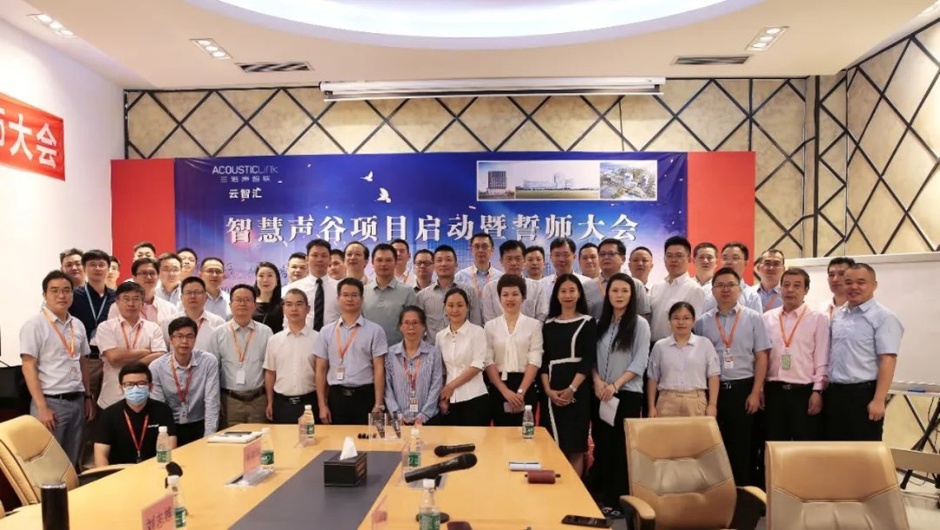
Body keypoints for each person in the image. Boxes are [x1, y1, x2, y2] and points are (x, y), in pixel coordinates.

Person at [693, 267, 770, 485]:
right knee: (713, 446)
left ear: (740, 289)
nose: (725, 289)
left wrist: (756, 391)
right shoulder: (702, 322)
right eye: (720, 285)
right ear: (713, 290)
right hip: (713, 391)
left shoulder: (754, 318)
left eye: (730, 285)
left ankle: (742, 493)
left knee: (742, 447)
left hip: (743, 390)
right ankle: (716, 493)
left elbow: (762, 357)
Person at [589, 273, 650, 513]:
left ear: (632, 295)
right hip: (600, 393)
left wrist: (615, 385)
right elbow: (591, 358)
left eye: (625, 291)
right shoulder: (599, 323)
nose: (619, 295)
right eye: (615, 290)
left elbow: (640, 362)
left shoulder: (639, 324)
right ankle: (604, 497)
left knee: (621, 448)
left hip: (626, 394)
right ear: (608, 294)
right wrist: (597, 382)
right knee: (602, 445)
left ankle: (620, 500)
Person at [21, 270, 94, 468]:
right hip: (51, 403)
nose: (61, 295)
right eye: (54, 290)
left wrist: (88, 397)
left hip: (77, 401)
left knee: (72, 462)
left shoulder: (77, 325)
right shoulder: (34, 325)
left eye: (66, 290)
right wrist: (42, 407)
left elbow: (82, 362)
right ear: (45, 294)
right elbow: (28, 367)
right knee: (48, 464)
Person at [826, 263, 903, 441]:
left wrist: (879, 400)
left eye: (861, 282)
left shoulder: (884, 317)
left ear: (874, 285)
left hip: (863, 395)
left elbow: (888, 360)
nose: (853, 287)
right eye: (848, 282)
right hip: (834, 394)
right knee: (834, 450)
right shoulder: (839, 315)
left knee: (862, 451)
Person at [762, 267, 829, 441]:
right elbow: (762, 357)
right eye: (786, 285)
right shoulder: (767, 318)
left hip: (803, 393)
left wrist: (817, 391)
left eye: (797, 285)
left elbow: (822, 357)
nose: (790, 290)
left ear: (806, 290)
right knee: (774, 444)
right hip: (773, 391)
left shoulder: (818, 319)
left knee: (804, 447)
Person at [539, 275, 596, 477]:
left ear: (579, 294)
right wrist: (547, 390)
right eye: (563, 291)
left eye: (572, 290)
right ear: (556, 295)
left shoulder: (588, 322)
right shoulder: (548, 324)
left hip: (578, 389)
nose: (568, 295)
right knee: (553, 445)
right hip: (551, 388)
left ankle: (575, 492)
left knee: (575, 446)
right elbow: (543, 360)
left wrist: (572, 388)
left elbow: (588, 359)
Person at [314, 278, 388, 425]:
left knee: (367, 438)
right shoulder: (326, 331)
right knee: (337, 438)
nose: (349, 299)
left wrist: (378, 404)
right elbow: (320, 369)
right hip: (337, 396)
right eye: (345, 295)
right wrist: (322, 405)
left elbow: (379, 369)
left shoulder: (375, 330)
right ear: (338, 298)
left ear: (362, 299)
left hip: (365, 395)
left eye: (354, 295)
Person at [95, 282, 168, 411]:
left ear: (143, 303)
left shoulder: (153, 328)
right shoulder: (105, 327)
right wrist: (146, 351)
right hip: (112, 398)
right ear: (117, 302)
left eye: (136, 299)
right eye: (126, 299)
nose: (131, 303)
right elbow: (114, 357)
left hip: (144, 397)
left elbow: (161, 355)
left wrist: (129, 363)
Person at [151, 316, 221, 446]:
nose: (184, 341)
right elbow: (160, 408)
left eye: (190, 336)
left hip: (200, 423)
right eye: (179, 336)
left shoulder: (208, 362)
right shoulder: (156, 367)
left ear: (195, 339)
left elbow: (212, 402)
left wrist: (208, 438)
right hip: (170, 426)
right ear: (171, 339)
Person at [484, 274, 543, 426]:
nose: (510, 299)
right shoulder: (490, 326)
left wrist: (520, 392)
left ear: (523, 297)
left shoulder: (534, 325)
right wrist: (505, 391)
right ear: (499, 298)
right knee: (501, 434)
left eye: (515, 294)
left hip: (526, 385)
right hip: (499, 386)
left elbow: (535, 359)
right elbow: (488, 361)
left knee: (525, 433)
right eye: (505, 295)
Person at [212, 284, 274, 427]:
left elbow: (270, 369)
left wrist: (270, 400)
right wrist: (216, 401)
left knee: (260, 439)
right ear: (230, 304)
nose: (242, 303)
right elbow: (213, 371)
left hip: (259, 400)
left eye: (247, 300)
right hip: (230, 401)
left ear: (254, 305)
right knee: (231, 439)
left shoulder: (266, 332)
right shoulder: (218, 333)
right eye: (238, 299)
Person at [94, 363, 176, 465]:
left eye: (141, 383)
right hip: (120, 471)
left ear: (150, 387)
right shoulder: (108, 414)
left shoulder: (163, 410)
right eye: (129, 384)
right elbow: (100, 455)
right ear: (121, 388)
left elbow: (172, 448)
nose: (135, 388)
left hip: (155, 468)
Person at [647, 302, 719, 418]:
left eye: (686, 318)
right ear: (669, 321)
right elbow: (653, 379)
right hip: (667, 402)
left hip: (696, 401)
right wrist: (651, 407)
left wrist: (712, 404)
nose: (681, 322)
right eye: (676, 318)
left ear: (693, 321)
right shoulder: (660, 346)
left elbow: (713, 375)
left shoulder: (704, 344)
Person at [435, 287, 490, 426]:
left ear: (467, 307)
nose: (455, 310)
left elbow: (477, 366)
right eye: (450, 305)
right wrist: (442, 397)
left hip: (474, 397)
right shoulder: (440, 336)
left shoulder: (478, 332)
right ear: (445, 308)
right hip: (449, 400)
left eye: (460, 305)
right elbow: (441, 370)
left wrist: (450, 387)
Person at [69, 250, 116, 411]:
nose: (97, 268)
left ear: (108, 268)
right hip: (87, 360)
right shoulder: (74, 296)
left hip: (111, 360)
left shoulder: (117, 297)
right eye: (92, 265)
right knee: (88, 408)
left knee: (110, 407)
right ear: (84, 268)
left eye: (102, 265)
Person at [264, 289, 319, 424]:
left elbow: (322, 373)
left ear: (307, 309)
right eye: (289, 304)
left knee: (312, 438)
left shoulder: (318, 339)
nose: (294, 309)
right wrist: (270, 402)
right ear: (283, 309)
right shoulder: (274, 340)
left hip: (310, 403)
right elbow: (270, 373)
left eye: (299, 304)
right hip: (282, 405)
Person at [385, 306, 443, 426]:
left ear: (423, 326)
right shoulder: (390, 354)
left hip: (428, 420)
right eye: (406, 323)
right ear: (400, 326)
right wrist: (397, 415)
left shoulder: (433, 353)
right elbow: (387, 388)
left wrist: (423, 415)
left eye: (415, 323)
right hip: (399, 421)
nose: (411, 327)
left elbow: (436, 385)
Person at [416, 245, 482, 345]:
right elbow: (419, 330)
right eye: (439, 260)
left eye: (448, 260)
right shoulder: (422, 296)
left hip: (464, 350)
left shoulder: (469, 292)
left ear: (456, 264)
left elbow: (476, 325)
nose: (443, 264)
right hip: (434, 351)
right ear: (434, 265)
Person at [649, 236, 705, 343]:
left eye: (679, 256)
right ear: (664, 259)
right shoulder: (656, 286)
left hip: (678, 346)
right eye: (669, 256)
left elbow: (695, 326)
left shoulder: (694, 289)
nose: (674, 260)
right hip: (653, 347)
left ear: (689, 259)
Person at [362, 243, 417, 345]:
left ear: (395, 262)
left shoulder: (407, 291)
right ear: (372, 263)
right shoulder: (363, 292)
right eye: (379, 260)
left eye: (388, 260)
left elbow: (413, 326)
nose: (383, 264)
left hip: (398, 351)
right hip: (368, 350)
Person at [482, 240, 547, 323]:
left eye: (518, 259)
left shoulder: (537, 288)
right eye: (509, 259)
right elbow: (489, 320)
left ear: (524, 260)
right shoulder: (490, 288)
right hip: (499, 331)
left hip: (531, 331)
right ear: (501, 261)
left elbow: (541, 318)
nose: (513, 263)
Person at [284, 239, 341, 332]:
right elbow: (287, 320)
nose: (319, 259)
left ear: (330, 259)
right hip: (302, 338)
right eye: (315, 255)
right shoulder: (295, 288)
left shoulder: (340, 288)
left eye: (324, 256)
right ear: (307, 259)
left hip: (334, 338)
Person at [167, 277, 226, 353]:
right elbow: (164, 354)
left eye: (197, 292)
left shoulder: (218, 323)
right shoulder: (168, 321)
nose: (193, 296)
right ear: (181, 298)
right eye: (188, 292)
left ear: (205, 297)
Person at [108, 258, 177, 324]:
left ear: (158, 276)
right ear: (134, 277)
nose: (149, 277)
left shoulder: (169, 308)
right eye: (144, 273)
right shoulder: (118, 307)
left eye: (152, 273)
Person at [596, 239, 651, 320]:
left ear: (623, 259)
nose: (606, 257)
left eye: (611, 254)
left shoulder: (636, 285)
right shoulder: (587, 286)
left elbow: (644, 317)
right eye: (602, 254)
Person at [703, 242, 762, 313]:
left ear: (746, 263)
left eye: (735, 258)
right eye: (725, 258)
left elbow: (756, 320)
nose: (728, 262)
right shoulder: (706, 291)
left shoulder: (752, 296)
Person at [455, 233, 503, 298]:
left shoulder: (501, 278)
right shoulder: (460, 277)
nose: (480, 250)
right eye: (477, 246)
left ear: (492, 250)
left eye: (484, 246)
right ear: (471, 249)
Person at [253, 261, 284, 334]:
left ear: (277, 280)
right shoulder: (249, 303)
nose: (265, 280)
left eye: (270, 275)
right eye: (261, 276)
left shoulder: (284, 305)